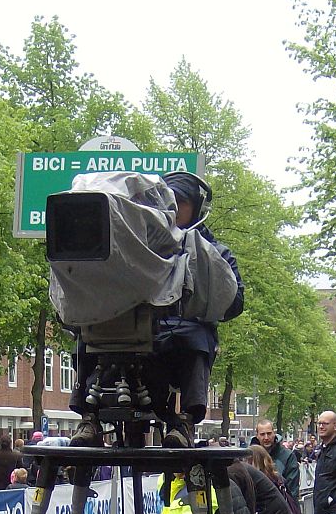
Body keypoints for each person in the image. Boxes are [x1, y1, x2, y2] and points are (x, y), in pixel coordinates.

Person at [70, 171, 244, 449]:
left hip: (178, 332)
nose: (173, 208)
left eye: (181, 202)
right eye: (168, 200)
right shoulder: (137, 243)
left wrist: (199, 294)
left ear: (197, 208)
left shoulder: (215, 252)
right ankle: (88, 417)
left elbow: (234, 302)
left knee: (197, 336)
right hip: (134, 326)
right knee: (90, 329)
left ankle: (186, 420)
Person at [251, 419, 300, 499]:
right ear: (257, 436)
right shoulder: (250, 456)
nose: (266, 437)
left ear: (274, 433)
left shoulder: (288, 456)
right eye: (262, 434)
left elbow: (292, 489)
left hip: (282, 506)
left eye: (269, 433)